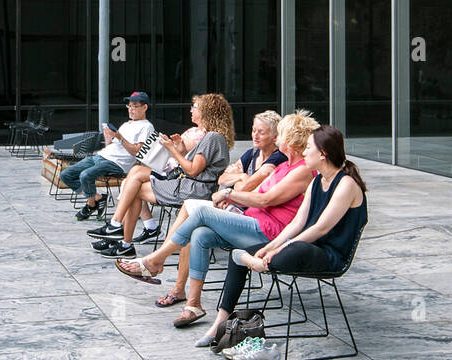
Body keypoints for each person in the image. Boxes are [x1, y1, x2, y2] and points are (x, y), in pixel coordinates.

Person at [114, 110, 319, 324]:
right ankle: (193, 305)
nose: (278, 139)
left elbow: (266, 200)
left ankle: (155, 260)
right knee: (200, 234)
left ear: (293, 140)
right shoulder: (284, 166)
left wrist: (230, 193)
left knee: (199, 210)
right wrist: (233, 196)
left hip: (269, 232)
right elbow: (249, 191)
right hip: (251, 220)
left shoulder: (301, 170)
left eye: (280, 135)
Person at [205, 124, 369, 360]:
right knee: (245, 253)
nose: (304, 154)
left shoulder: (345, 184)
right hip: (306, 247)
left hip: (330, 255)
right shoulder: (317, 182)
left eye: (309, 149)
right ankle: (222, 319)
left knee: (293, 249)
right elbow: (297, 223)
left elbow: (320, 229)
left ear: (322, 154)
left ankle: (257, 264)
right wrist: (272, 245)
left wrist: (281, 248)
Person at [95, 94, 236, 289]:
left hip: (192, 190)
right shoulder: (211, 136)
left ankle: (117, 228)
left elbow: (193, 170)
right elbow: (194, 166)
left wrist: (172, 149)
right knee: (134, 185)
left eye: (195, 106)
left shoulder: (213, 137)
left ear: (207, 112)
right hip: (188, 187)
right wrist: (178, 148)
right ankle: (124, 241)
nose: (191, 110)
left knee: (135, 177)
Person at [60, 92, 154, 220]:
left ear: (145, 107)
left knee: (86, 175)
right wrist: (108, 138)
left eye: (134, 106)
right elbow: (112, 146)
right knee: (66, 175)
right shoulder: (127, 124)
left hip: (118, 164)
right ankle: (98, 198)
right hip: (102, 156)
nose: (130, 109)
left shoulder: (147, 127)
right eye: (129, 106)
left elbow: (137, 151)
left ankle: (91, 204)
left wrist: (119, 137)